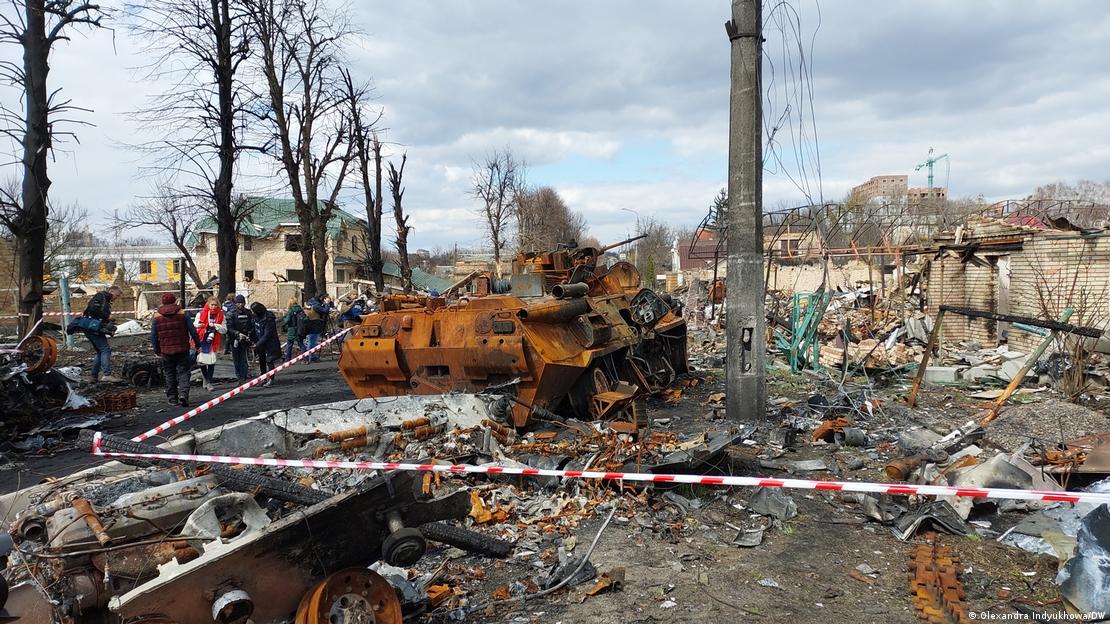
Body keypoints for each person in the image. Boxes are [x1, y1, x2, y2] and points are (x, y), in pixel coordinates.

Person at [150, 293, 201, 407]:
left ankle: (172, 398)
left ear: (162, 302)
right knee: (183, 372)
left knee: (169, 373)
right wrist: (198, 344)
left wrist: (157, 349)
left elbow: (153, 335)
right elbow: (192, 330)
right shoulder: (183, 313)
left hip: (166, 350)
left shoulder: (157, 316)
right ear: (174, 301)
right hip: (182, 348)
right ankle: (183, 394)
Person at [81, 285, 123, 383]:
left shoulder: (105, 300)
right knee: (106, 350)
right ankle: (106, 375)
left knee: (100, 351)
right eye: (116, 296)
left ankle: (93, 376)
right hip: (93, 327)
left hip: (90, 327)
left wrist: (108, 321)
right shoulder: (101, 296)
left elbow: (97, 312)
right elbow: (93, 308)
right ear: (111, 292)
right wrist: (107, 316)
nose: (116, 298)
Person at [194, 296, 226, 391]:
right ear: (208, 305)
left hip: (214, 341)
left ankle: (209, 382)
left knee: (211, 362)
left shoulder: (221, 315)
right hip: (203, 339)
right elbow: (195, 324)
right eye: (212, 305)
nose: (214, 307)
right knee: (203, 362)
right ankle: (206, 379)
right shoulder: (201, 314)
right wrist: (201, 325)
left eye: (216, 305)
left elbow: (224, 330)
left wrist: (215, 326)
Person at [250, 302, 282, 387]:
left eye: (253, 311)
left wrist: (257, 344)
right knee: (262, 360)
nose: (252, 313)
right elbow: (253, 329)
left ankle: (271, 379)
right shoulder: (255, 317)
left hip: (270, 342)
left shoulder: (269, 318)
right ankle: (263, 378)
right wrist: (252, 340)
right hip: (259, 342)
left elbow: (268, 334)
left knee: (269, 360)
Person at [225, 294, 254, 382]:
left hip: (245, 339)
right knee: (236, 359)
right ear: (235, 303)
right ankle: (239, 376)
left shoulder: (248, 313)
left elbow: (252, 325)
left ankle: (243, 377)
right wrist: (237, 334)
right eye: (238, 303)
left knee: (244, 358)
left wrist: (249, 334)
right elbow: (229, 328)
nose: (240, 305)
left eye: (242, 302)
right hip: (234, 339)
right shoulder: (231, 313)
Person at [303, 293, 334, 363]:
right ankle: (311, 356)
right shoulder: (316, 305)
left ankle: (310, 355)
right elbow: (325, 311)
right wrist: (327, 304)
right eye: (324, 298)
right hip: (314, 324)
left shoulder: (311, 302)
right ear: (321, 298)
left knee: (310, 340)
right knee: (312, 340)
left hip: (310, 323)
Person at [280, 297, 306, 362]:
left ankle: (287, 360)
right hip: (300, 329)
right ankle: (306, 358)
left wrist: (283, 320)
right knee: (301, 344)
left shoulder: (291, 311)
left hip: (292, 329)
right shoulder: (301, 310)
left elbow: (287, 320)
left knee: (289, 345)